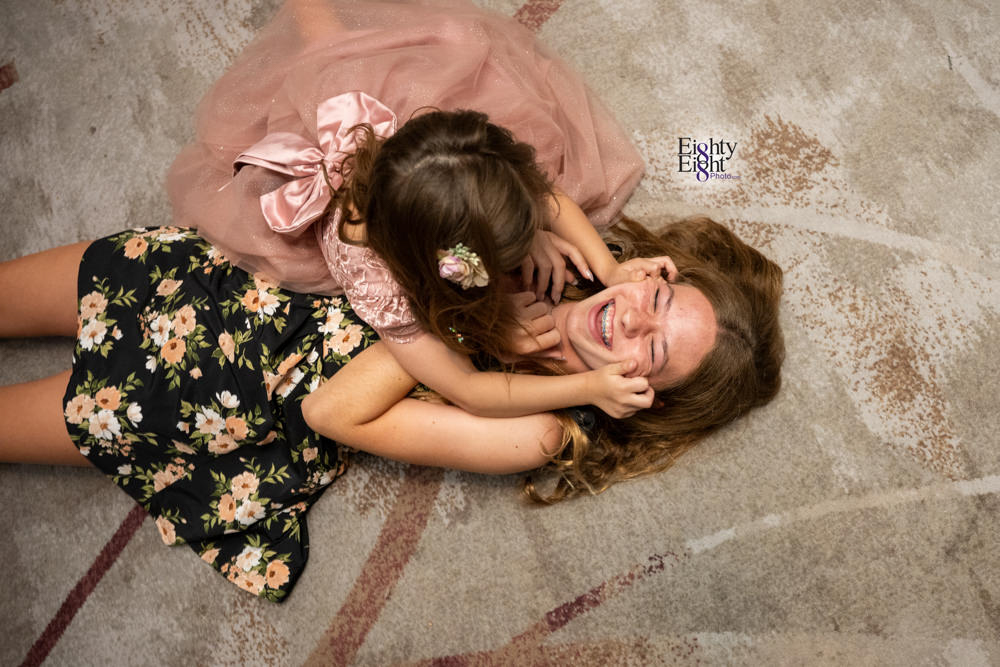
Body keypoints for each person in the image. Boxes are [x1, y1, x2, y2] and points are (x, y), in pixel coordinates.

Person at [0, 215, 784, 601]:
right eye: (658, 299)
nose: (633, 320)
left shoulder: (535, 429)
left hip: (217, 401)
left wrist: (474, 322)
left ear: (644, 396)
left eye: (653, 352)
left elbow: (333, 412)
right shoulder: (560, 254)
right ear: (652, 272)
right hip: (229, 274)